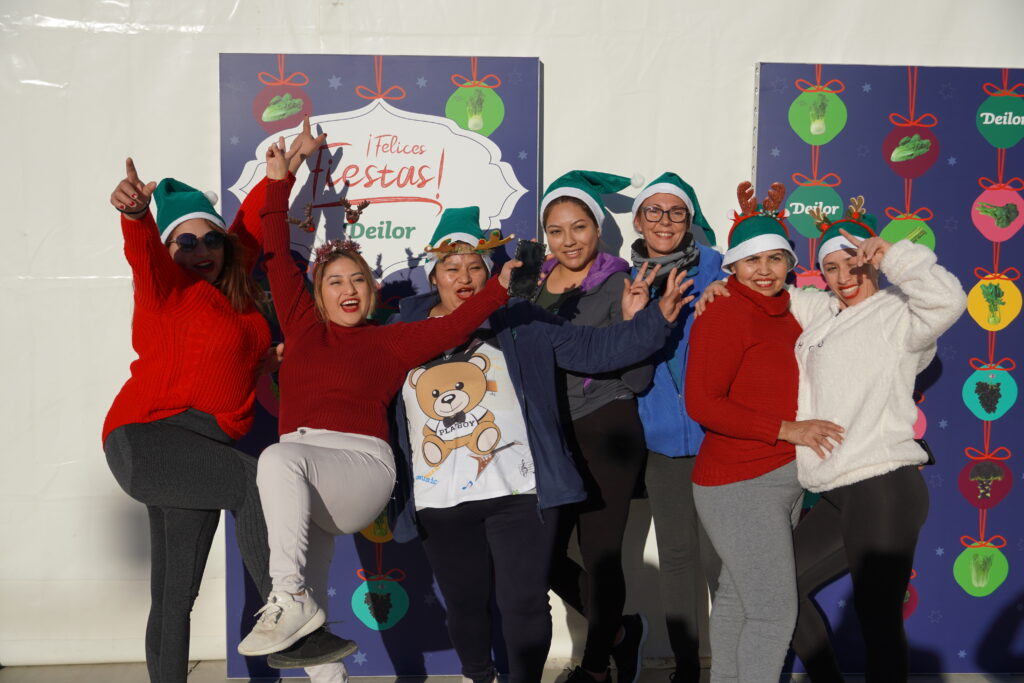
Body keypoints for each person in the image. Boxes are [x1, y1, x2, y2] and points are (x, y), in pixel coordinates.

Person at [235, 139, 521, 683]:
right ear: (319, 293)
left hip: (361, 468)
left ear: (370, 291)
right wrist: (278, 182)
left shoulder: (389, 340)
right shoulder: (302, 326)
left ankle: (286, 597)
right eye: (335, 281)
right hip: (306, 470)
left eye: (358, 280)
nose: (348, 289)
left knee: (275, 460)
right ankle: (316, 646)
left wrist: (499, 289)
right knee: (310, 600)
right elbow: (274, 254)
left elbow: (453, 326)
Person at [388, 206, 696, 683]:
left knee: (526, 604)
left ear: (491, 273)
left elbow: (594, 349)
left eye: (475, 267)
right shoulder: (401, 329)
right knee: (466, 606)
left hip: (518, 492)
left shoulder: (519, 321)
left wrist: (654, 320)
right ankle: (478, 676)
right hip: (440, 497)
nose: (464, 277)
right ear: (434, 276)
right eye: (451, 267)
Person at [102, 158, 282, 683]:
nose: (201, 250)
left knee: (174, 594)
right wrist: (136, 215)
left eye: (212, 240)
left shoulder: (236, 296)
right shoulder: (167, 288)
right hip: (149, 436)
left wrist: (282, 175)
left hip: (197, 447)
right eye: (185, 241)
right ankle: (285, 608)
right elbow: (142, 254)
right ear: (169, 249)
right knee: (253, 480)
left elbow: (248, 230)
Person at [785, 201, 966, 680]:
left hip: (883, 485)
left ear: (872, 262)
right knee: (778, 588)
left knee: (877, 617)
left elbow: (948, 300)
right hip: (834, 488)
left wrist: (893, 255)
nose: (844, 276)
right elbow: (777, 294)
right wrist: (723, 285)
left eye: (853, 263)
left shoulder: (897, 313)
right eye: (830, 267)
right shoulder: (824, 313)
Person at [684, 182, 843, 682]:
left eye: (775, 258)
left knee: (737, 597)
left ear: (789, 262)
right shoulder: (723, 311)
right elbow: (702, 403)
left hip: (785, 478)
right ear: (732, 266)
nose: (764, 270)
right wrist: (787, 429)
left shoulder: (793, 310)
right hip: (738, 483)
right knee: (774, 612)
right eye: (752, 260)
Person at [538, 171, 654, 683]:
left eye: (579, 227)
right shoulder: (533, 284)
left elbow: (639, 377)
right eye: (556, 230)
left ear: (598, 227)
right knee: (539, 556)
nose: (568, 240)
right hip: (550, 435)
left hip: (606, 426)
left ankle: (594, 668)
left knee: (601, 554)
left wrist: (632, 322)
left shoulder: (620, 282)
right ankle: (621, 633)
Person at [629, 172, 724, 682]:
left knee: (721, 561)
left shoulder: (720, 268)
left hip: (718, 442)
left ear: (689, 220)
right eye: (654, 210)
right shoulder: (626, 280)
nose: (664, 221)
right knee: (677, 559)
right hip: (662, 446)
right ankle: (687, 670)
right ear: (638, 220)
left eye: (676, 212)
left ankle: (731, 667)